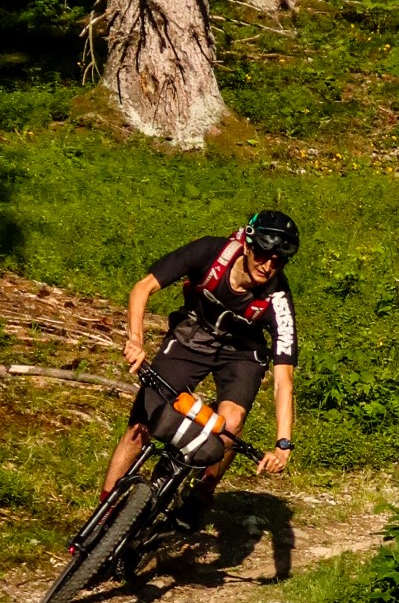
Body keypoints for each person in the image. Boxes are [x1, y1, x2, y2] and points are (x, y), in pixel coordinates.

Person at [102, 211, 300, 529]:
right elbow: (142, 288)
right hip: (192, 334)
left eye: (278, 261)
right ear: (248, 244)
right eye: (263, 254)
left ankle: (202, 491)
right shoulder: (210, 252)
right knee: (141, 424)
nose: (268, 265)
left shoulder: (278, 302)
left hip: (241, 353)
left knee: (230, 422)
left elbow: (283, 380)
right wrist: (136, 341)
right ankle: (105, 513)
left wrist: (283, 443)